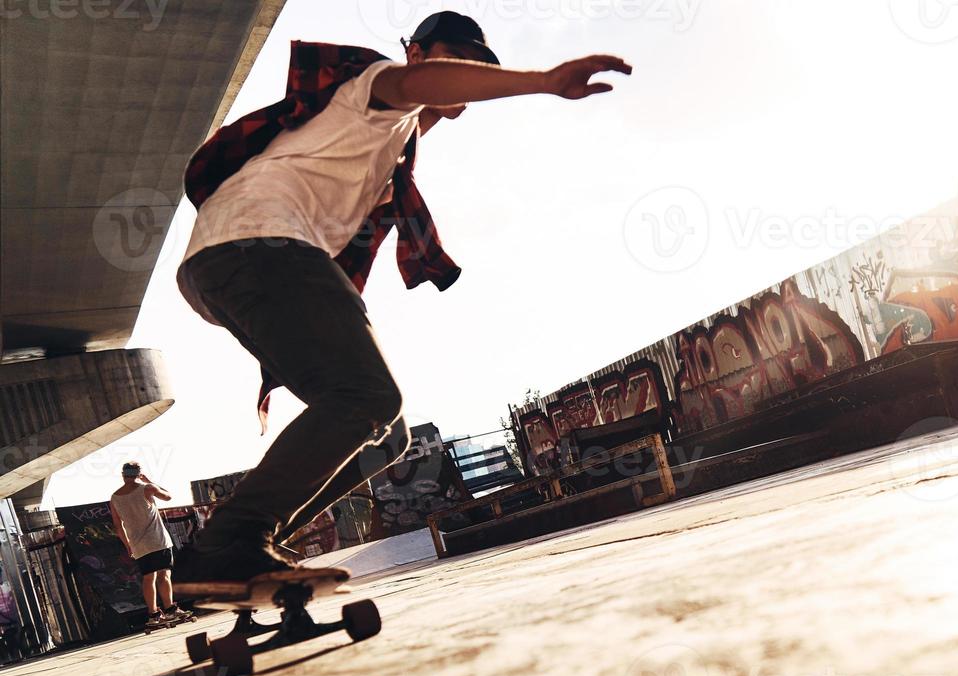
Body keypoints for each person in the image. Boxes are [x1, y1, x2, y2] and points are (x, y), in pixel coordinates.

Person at [173, 12, 631, 590]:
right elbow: (421, 85)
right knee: (366, 397)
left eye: (477, 64)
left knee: (386, 432)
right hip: (256, 244)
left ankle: (246, 547)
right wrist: (543, 80)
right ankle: (230, 540)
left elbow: (433, 99)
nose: (467, 72)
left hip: (231, 264)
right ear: (417, 52)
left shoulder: (392, 143)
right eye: (456, 58)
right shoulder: (377, 83)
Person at [109, 463, 189, 629]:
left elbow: (118, 526)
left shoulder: (115, 498)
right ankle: (170, 610)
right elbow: (168, 497)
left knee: (148, 578)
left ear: (123, 475)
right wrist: (149, 480)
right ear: (138, 474)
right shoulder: (147, 488)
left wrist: (128, 545)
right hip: (157, 540)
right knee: (164, 575)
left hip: (138, 545)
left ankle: (153, 615)